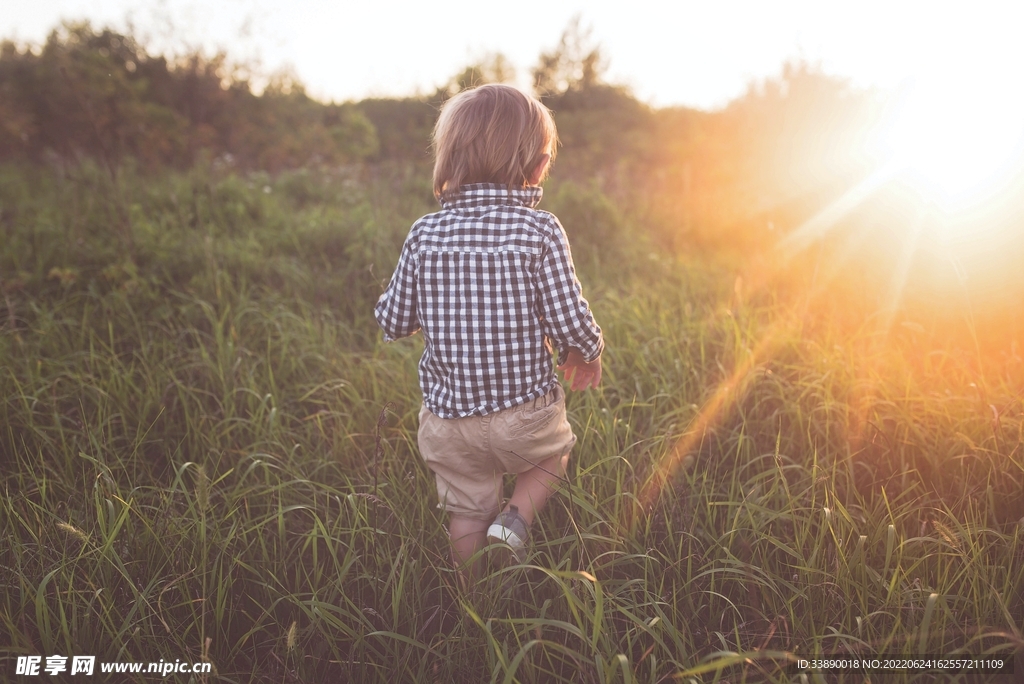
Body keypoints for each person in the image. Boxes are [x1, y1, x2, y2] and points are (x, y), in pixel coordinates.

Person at [374, 83, 603, 580]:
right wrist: (587, 352)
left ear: (449, 157)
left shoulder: (424, 233)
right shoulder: (539, 230)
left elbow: (393, 320)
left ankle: (476, 605)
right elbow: (568, 317)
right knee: (552, 457)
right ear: (538, 165)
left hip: (449, 419)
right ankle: (516, 518)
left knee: (465, 510)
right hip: (524, 412)